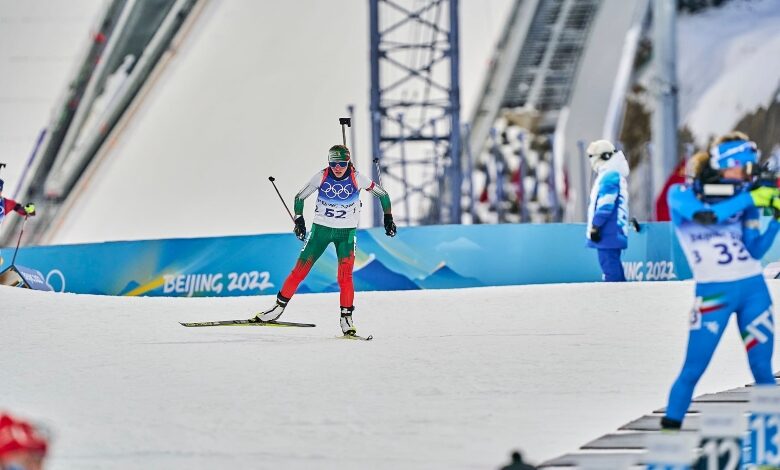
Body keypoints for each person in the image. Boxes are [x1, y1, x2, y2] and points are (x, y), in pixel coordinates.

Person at [661, 132, 780, 430]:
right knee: (693, 369)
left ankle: (771, 446)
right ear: (729, 164)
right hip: (714, 293)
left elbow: (754, 250)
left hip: (753, 289)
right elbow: (707, 216)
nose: (748, 175)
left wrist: (775, 220)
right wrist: (749, 197)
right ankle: (668, 442)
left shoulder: (745, 199)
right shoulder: (681, 193)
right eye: (745, 168)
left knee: (763, 370)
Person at [256, 144, 396, 336]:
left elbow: (383, 195)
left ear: (348, 162)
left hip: (346, 234)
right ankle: (276, 310)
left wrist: (388, 218)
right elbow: (299, 197)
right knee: (299, 271)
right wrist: (299, 220)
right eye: (333, 163)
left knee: (344, 277)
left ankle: (346, 318)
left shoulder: (357, 178)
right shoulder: (321, 176)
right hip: (320, 231)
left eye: (342, 163)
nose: (337, 168)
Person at [585, 139, 630, 282]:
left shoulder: (610, 175)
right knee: (611, 266)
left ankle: (616, 299)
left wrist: (596, 225)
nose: (591, 162)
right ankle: (619, 296)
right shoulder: (612, 174)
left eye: (593, 157)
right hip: (611, 230)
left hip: (608, 231)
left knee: (610, 268)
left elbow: (606, 203)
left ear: (604, 157)